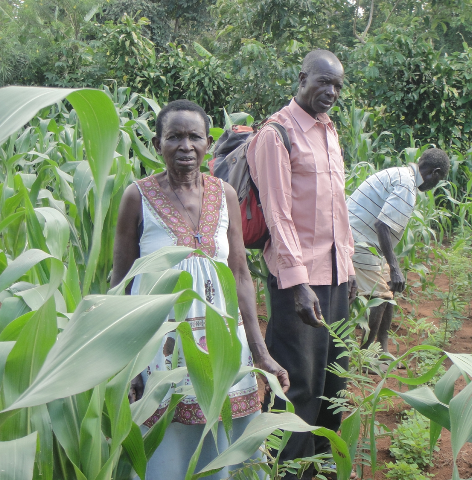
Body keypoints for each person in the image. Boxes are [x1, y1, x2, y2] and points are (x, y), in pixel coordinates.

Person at [111, 99, 289, 480]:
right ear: (157, 143)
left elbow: (240, 274)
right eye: (174, 137)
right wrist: (126, 365)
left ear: (208, 142)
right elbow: (120, 283)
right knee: (167, 448)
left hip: (225, 347)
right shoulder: (136, 197)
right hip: (162, 352)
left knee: (225, 442)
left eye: (194, 136)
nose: (185, 146)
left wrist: (260, 352)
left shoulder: (224, 194)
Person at [246, 50, 358, 479]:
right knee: (299, 384)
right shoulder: (276, 134)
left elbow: (337, 210)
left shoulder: (329, 132)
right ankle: (287, 471)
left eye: (337, 86)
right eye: (323, 82)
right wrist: (296, 283)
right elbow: (278, 214)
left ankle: (321, 467)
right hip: (298, 281)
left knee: (334, 381)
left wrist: (345, 268)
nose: (330, 92)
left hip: (333, 276)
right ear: (302, 78)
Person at [347, 148, 450, 359]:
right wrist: (394, 267)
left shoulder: (404, 177)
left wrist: (391, 266)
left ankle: (382, 351)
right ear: (435, 173)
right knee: (380, 296)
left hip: (367, 241)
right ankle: (365, 356)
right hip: (355, 240)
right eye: (439, 180)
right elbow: (382, 225)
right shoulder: (406, 186)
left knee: (389, 292)